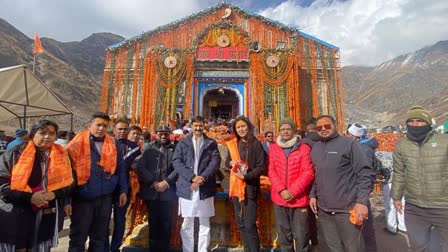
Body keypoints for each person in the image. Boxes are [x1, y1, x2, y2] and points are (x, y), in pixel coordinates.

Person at [0, 119, 75, 251]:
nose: (47, 136)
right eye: (42, 132)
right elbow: (2, 183)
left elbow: (70, 182)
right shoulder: (15, 153)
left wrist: (54, 194)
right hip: (18, 209)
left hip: (48, 210)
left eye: (51, 133)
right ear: (33, 134)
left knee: (41, 246)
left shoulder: (63, 156)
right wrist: (30, 197)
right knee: (20, 247)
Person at [309, 115, 375, 252]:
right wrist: (312, 194)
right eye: (319, 127)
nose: (323, 129)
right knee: (334, 247)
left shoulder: (349, 144)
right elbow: (316, 174)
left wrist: (361, 202)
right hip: (324, 211)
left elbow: (365, 173)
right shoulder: (316, 148)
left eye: (327, 126)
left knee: (353, 248)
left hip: (346, 210)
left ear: (335, 125)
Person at [66, 112, 128, 251]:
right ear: (89, 125)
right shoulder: (76, 144)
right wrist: (67, 199)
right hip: (82, 197)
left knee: (99, 237)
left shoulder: (114, 144)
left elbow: (120, 168)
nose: (101, 128)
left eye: (104, 126)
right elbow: (68, 173)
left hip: (105, 197)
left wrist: (123, 190)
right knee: (78, 237)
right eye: (98, 125)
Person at [391, 105, 448, 251]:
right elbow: (399, 172)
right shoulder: (401, 145)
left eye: (419, 121)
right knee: (418, 246)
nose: (415, 124)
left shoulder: (444, 141)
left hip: (443, 206)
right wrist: (396, 197)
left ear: (428, 123)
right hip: (415, 207)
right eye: (411, 121)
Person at [172, 116, 220, 252]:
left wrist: (202, 178)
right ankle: (187, 249)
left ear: (204, 126)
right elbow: (177, 161)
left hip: (205, 187)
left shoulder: (211, 143)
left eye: (200, 126)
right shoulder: (183, 143)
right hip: (187, 187)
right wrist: (192, 177)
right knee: (187, 222)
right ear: (191, 126)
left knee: (204, 222)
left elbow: (215, 162)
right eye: (195, 126)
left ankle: (202, 249)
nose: (198, 128)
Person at [268, 118, 314, 251]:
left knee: (301, 235)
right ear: (279, 131)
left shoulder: (304, 148)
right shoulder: (274, 148)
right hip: (279, 198)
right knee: (284, 235)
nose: (285, 131)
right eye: (282, 129)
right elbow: (271, 170)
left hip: (298, 199)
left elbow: (308, 172)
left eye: (288, 129)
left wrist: (292, 192)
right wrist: (282, 190)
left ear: (294, 130)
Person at [225, 116, 266, 252]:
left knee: (249, 224)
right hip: (236, 187)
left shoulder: (256, 143)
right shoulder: (234, 144)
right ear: (235, 130)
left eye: (243, 126)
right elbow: (227, 162)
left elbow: (261, 167)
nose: (241, 129)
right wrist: (230, 163)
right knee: (241, 223)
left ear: (248, 127)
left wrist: (246, 176)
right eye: (238, 127)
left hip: (250, 188)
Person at [137, 125, 177, 252]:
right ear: (156, 134)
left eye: (166, 133)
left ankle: (165, 249)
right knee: (153, 223)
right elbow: (141, 167)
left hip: (168, 192)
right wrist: (152, 181)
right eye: (160, 134)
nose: (163, 136)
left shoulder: (175, 149)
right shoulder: (148, 148)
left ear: (170, 134)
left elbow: (178, 168)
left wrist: (167, 182)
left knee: (166, 223)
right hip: (151, 191)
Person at [105, 120, 141, 252]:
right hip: (106, 189)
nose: (122, 132)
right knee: (104, 220)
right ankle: (103, 247)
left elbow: (136, 167)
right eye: (119, 129)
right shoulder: (106, 144)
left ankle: (115, 247)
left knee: (120, 220)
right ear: (114, 130)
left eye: (125, 129)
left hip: (123, 189)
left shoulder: (135, 147)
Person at [347, 123, 378, 252]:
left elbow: (366, 174)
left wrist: (362, 197)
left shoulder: (363, 150)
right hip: (358, 192)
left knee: (363, 227)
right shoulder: (364, 147)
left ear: (354, 136)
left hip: (359, 193)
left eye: (348, 134)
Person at [376, 151, 406, 234]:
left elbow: (377, 171)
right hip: (402, 181)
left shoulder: (377, 157)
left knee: (390, 206)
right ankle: (403, 227)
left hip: (390, 182)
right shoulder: (393, 154)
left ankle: (392, 228)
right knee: (402, 204)